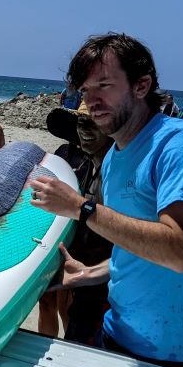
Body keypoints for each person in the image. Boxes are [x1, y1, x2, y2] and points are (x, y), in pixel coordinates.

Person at [29, 32, 183, 367]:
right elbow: (139, 243)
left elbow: (180, 249)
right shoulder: (114, 158)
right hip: (119, 335)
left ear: (141, 86)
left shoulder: (179, 145)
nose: (91, 100)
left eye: (104, 86)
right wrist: (92, 273)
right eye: (85, 90)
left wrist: (82, 207)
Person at [39, 102, 114, 343]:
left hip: (97, 256)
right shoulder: (64, 154)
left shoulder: (114, 165)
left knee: (74, 312)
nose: (86, 130)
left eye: (95, 123)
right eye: (82, 122)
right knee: (51, 302)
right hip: (63, 244)